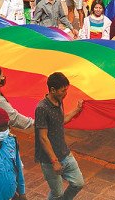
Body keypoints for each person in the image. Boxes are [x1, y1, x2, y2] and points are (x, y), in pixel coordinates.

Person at [35, 72, 84, 200]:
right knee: (57, 193)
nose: (65, 93)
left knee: (78, 183)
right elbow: (43, 137)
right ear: (52, 90)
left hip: (65, 153)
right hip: (49, 160)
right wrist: (54, 161)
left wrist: (77, 110)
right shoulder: (42, 108)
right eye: (63, 91)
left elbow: (61, 120)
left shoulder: (59, 101)